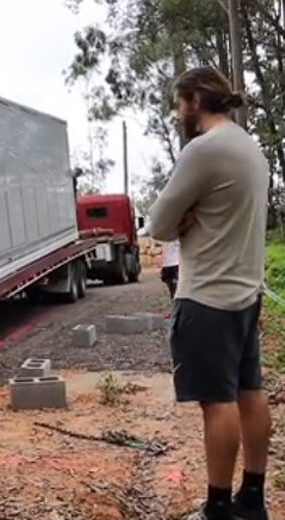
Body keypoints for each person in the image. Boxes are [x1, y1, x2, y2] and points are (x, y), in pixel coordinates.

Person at [149, 67, 270, 520]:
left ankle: (217, 508)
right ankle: (252, 499)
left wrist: (186, 217)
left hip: (207, 298)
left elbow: (160, 224)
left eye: (180, 103)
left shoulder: (203, 150)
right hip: (245, 294)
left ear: (195, 100)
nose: (178, 113)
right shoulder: (249, 148)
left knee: (217, 402)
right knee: (249, 391)